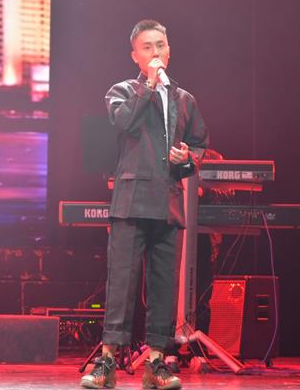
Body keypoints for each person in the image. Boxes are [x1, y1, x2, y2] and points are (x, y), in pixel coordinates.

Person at [80, 20, 209, 390]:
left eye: (160, 45)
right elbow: (123, 122)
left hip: (168, 203)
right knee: (121, 283)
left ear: (169, 50)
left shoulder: (184, 99)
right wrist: (148, 85)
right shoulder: (122, 91)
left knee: (163, 286)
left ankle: (157, 363)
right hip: (131, 201)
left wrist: (187, 158)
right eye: (147, 47)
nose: (155, 52)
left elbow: (199, 143)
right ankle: (107, 362)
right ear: (135, 56)